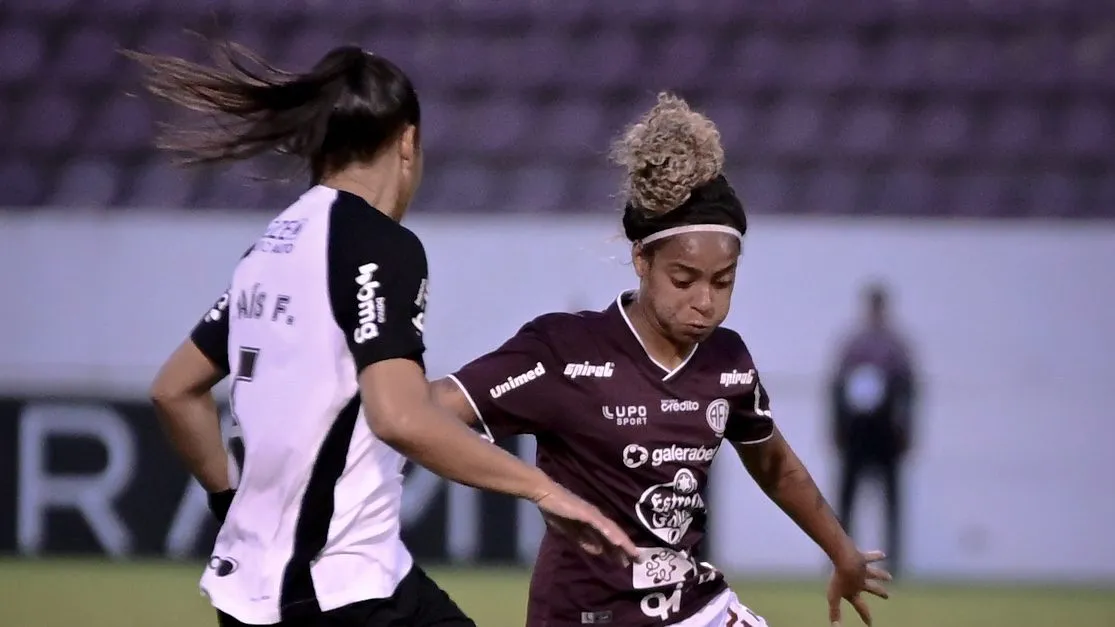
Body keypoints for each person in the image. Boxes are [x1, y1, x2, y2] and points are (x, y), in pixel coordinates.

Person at [131, 42, 638, 627]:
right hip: (336, 590)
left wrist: (229, 501)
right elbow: (398, 417)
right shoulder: (378, 244)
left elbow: (174, 390)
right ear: (407, 141)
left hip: (257, 588)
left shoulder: (270, 248)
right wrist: (543, 489)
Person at [431, 93, 891, 627]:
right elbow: (427, 414)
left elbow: (772, 463)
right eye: (684, 279)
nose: (705, 302)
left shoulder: (727, 360)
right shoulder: (565, 350)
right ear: (641, 259)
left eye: (723, 282)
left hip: (692, 606)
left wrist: (841, 551)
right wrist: (537, 489)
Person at [830, 282, 917, 578]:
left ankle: (894, 564)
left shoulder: (896, 347)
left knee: (891, 500)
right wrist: (837, 427)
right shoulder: (853, 345)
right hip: (857, 430)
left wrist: (906, 428)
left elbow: (908, 389)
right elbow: (836, 388)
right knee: (847, 499)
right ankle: (841, 557)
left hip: (885, 430)